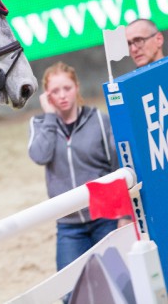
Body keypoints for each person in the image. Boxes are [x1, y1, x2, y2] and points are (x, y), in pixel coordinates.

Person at [27, 62, 119, 302]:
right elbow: (40, 156)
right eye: (54, 91)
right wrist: (48, 116)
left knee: (117, 287)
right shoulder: (39, 125)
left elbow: (116, 166)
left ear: (77, 87)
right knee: (70, 296)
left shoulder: (100, 120)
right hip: (69, 227)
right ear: (47, 95)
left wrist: (123, 216)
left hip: (105, 219)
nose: (62, 95)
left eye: (66, 88)